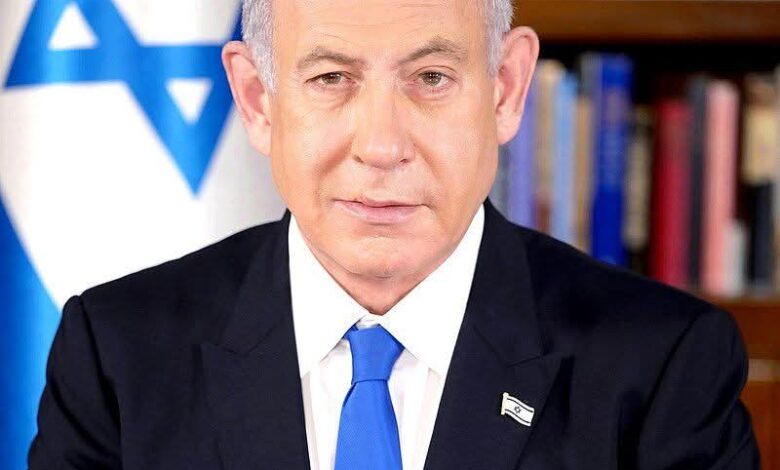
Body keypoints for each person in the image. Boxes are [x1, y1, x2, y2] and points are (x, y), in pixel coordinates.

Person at [28, 0, 759, 469]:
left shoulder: (663, 364)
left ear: (506, 89)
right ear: (257, 100)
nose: (381, 146)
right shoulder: (117, 352)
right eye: (331, 78)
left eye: (432, 77)